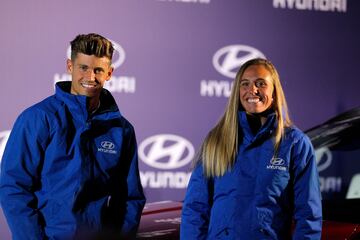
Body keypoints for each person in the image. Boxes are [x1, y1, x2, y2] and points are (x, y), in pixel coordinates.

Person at [0, 33, 146, 240]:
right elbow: (13, 187)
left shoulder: (121, 129)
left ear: (110, 73)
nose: (90, 77)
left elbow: (130, 197)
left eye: (98, 70)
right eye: (83, 68)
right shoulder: (39, 118)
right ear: (70, 66)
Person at [181, 58, 322, 239]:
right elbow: (195, 208)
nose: (252, 90)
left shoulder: (295, 144)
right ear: (237, 92)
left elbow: (308, 215)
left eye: (261, 83)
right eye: (245, 84)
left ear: (274, 92)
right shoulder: (216, 140)